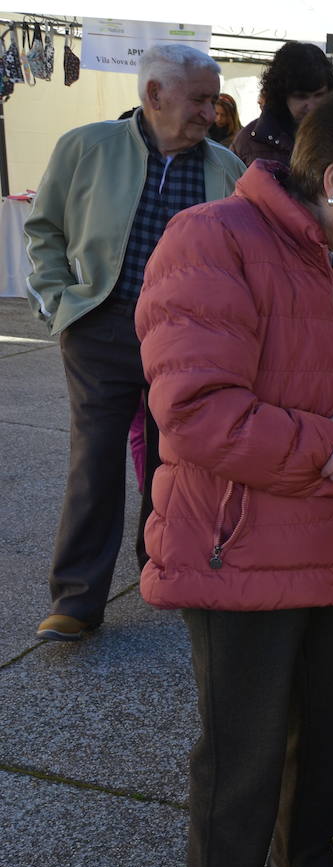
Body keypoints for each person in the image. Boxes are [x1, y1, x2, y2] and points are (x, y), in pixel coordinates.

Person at [136, 84, 333, 867]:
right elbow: (197, 415)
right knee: (243, 756)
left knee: (328, 726)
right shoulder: (211, 242)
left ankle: (303, 859)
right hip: (241, 551)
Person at [24, 44, 245, 642]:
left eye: (214, 97)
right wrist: (59, 303)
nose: (212, 110)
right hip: (101, 324)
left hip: (188, 340)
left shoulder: (227, 168)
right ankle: (76, 599)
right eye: (200, 98)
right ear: (154, 95)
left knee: (177, 461)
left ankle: (163, 568)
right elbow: (44, 229)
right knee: (95, 461)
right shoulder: (86, 145)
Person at [231, 41, 333, 167]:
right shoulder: (248, 141)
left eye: (319, 95)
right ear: (281, 96)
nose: (311, 106)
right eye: (301, 96)